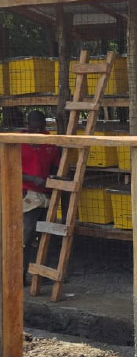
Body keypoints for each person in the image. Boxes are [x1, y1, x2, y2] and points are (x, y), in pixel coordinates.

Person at [21, 110, 60, 273]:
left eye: (40, 128)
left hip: (46, 193)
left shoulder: (49, 142)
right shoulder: (18, 142)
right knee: (26, 235)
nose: (37, 131)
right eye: (34, 128)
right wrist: (31, 178)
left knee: (47, 234)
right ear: (27, 125)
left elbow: (56, 165)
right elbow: (8, 169)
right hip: (27, 193)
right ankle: (20, 274)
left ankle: (43, 274)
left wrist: (53, 178)